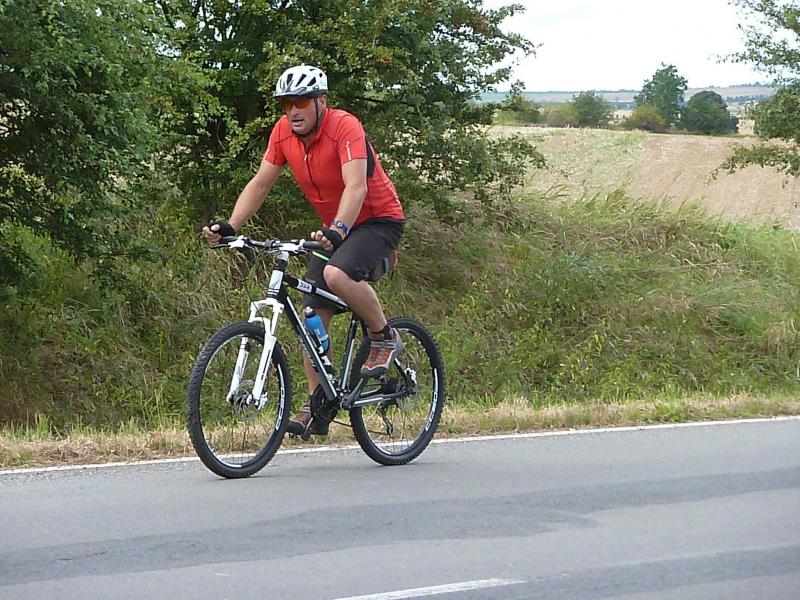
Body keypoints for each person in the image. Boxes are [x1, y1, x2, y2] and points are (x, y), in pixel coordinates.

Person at [203, 64, 405, 436]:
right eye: (286, 104)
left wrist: (339, 230)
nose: (292, 111)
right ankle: (318, 404)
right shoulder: (283, 133)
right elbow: (261, 183)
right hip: (335, 229)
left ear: (321, 101)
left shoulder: (345, 127)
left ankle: (383, 335)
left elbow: (356, 187)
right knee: (311, 312)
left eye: (300, 102)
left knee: (335, 274)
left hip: (377, 221)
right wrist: (232, 226)